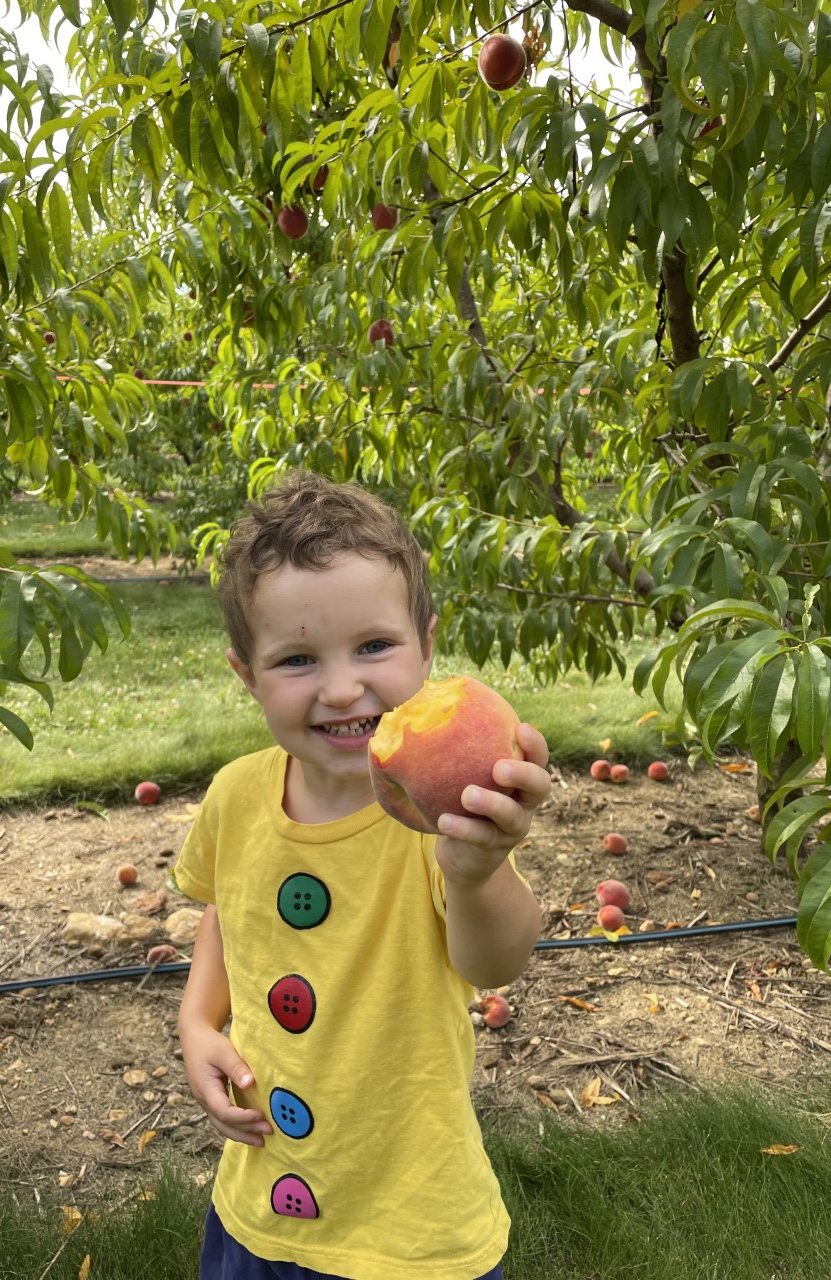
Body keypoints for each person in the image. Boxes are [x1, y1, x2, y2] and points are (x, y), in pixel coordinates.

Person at [174, 471, 550, 1280]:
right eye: (298, 659)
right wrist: (198, 1022)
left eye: (374, 647)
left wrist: (479, 871)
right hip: (264, 1204)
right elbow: (226, 911)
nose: (343, 688)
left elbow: (495, 963)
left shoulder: (441, 817)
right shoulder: (237, 796)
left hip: (412, 1227)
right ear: (246, 674)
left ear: (427, 644)